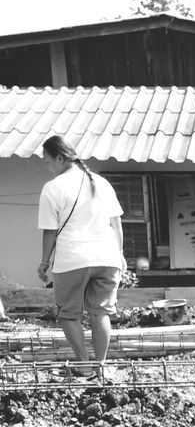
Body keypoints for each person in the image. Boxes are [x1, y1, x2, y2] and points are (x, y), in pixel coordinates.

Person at [37, 135, 125, 377]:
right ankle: (102, 367)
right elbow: (116, 224)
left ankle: (84, 366)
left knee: (68, 314)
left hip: (72, 260)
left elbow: (50, 232)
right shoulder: (101, 182)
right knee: (100, 313)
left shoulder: (53, 188)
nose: (47, 167)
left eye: (47, 161)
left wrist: (44, 262)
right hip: (107, 257)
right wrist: (119, 254)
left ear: (59, 158)